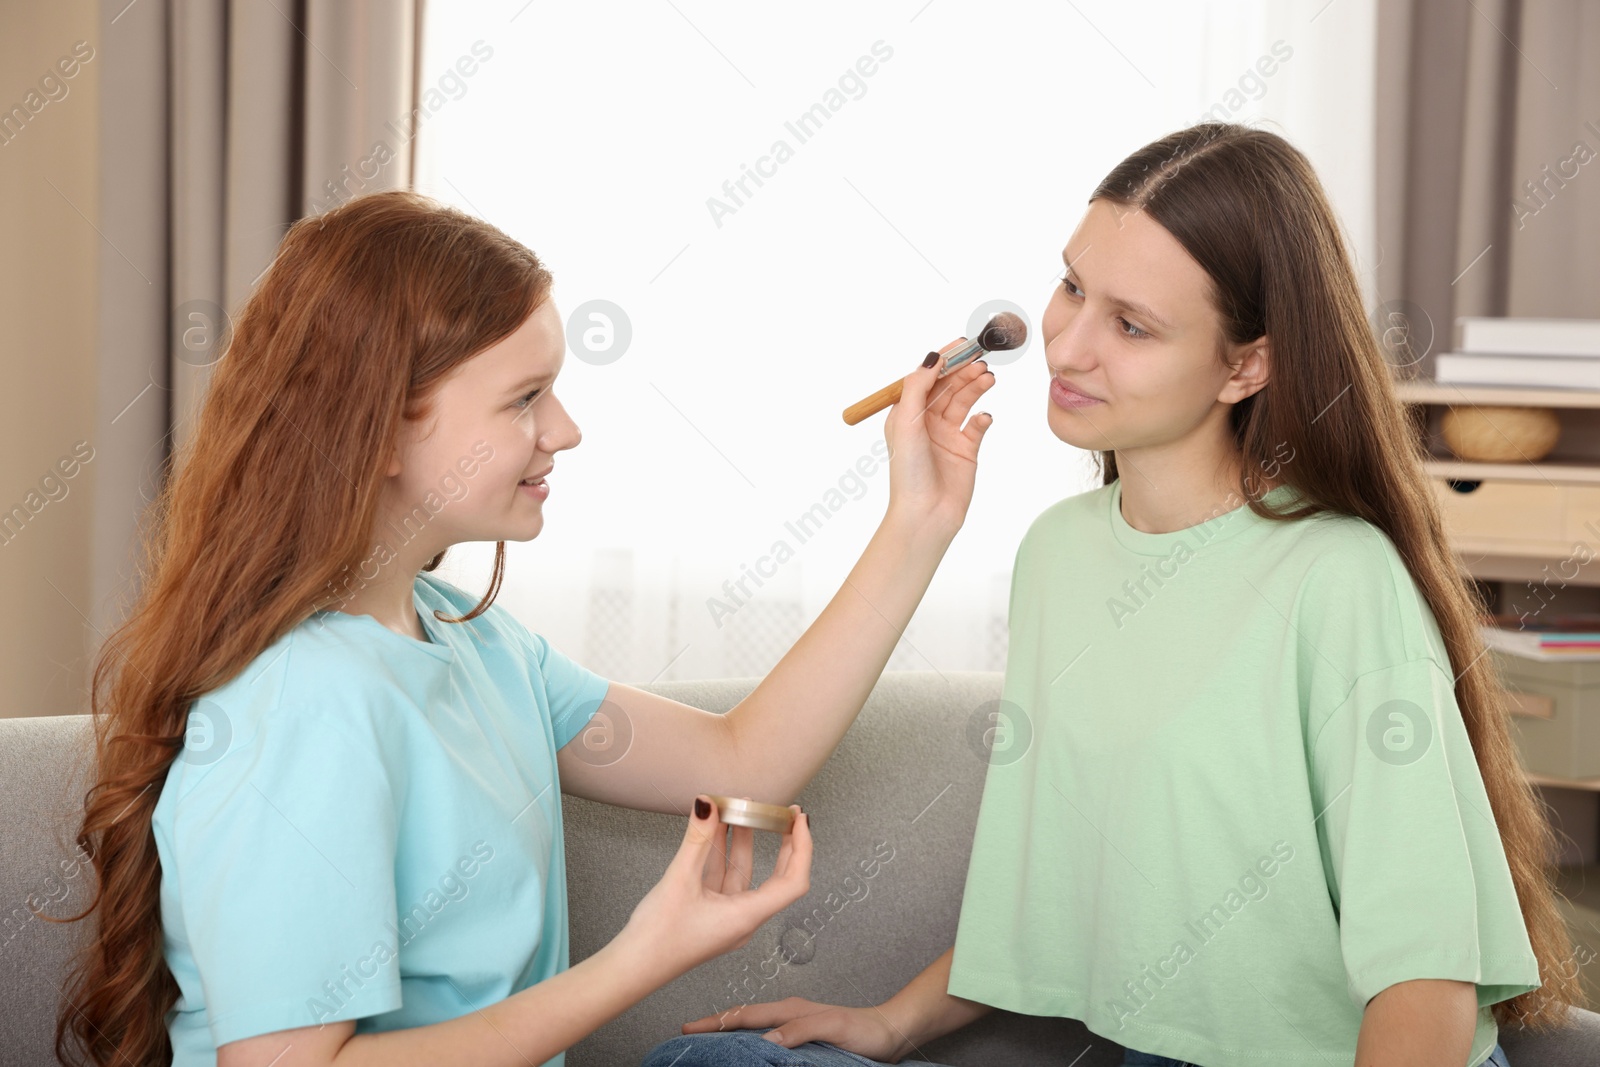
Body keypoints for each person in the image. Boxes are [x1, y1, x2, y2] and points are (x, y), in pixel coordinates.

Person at [646, 123, 1583, 1067]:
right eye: (1072, 287)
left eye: (1131, 325)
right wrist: (890, 1023)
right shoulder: (1061, 554)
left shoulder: (1339, 577)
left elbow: (1423, 976)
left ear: (1245, 365)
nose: (1068, 344)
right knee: (712, 1064)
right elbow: (1052, 873)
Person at [48, 189, 997, 1067]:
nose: (567, 428)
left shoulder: (470, 644)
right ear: (376, 431)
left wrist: (919, 520)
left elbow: (742, 759)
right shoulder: (302, 706)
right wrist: (641, 958)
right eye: (523, 398)